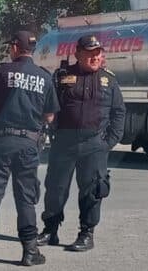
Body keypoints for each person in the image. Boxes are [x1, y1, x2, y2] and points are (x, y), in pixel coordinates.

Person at [0, 31, 60, 266]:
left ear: (15, 47)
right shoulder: (44, 76)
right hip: (29, 145)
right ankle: (30, 252)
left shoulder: (2, 71)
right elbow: (49, 116)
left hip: (1, 142)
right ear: (32, 49)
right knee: (26, 199)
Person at [36, 34, 126, 252]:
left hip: (94, 144)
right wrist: (53, 128)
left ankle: (86, 233)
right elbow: (49, 105)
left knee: (92, 189)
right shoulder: (62, 76)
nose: (95, 57)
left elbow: (119, 112)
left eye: (98, 53)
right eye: (90, 53)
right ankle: (50, 230)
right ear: (78, 54)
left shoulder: (109, 80)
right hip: (64, 142)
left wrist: (109, 141)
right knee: (55, 188)